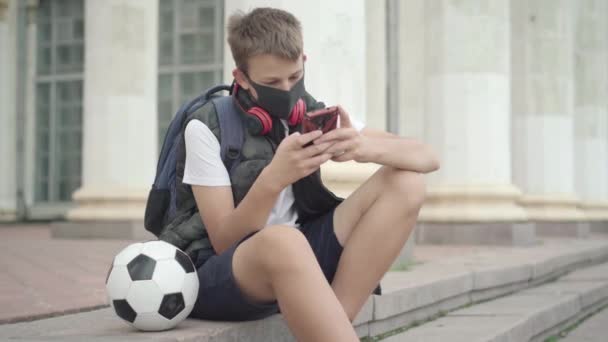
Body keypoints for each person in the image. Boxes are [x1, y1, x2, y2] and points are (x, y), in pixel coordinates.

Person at [184, 7, 439, 341]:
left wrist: (361, 149)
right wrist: (275, 178)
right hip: (228, 273)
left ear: (303, 60)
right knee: (283, 241)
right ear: (241, 78)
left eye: (295, 76)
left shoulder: (313, 111)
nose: (288, 90)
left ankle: (332, 320)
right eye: (272, 82)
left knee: (406, 183)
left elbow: (427, 157)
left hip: (298, 252)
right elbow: (224, 240)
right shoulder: (206, 126)